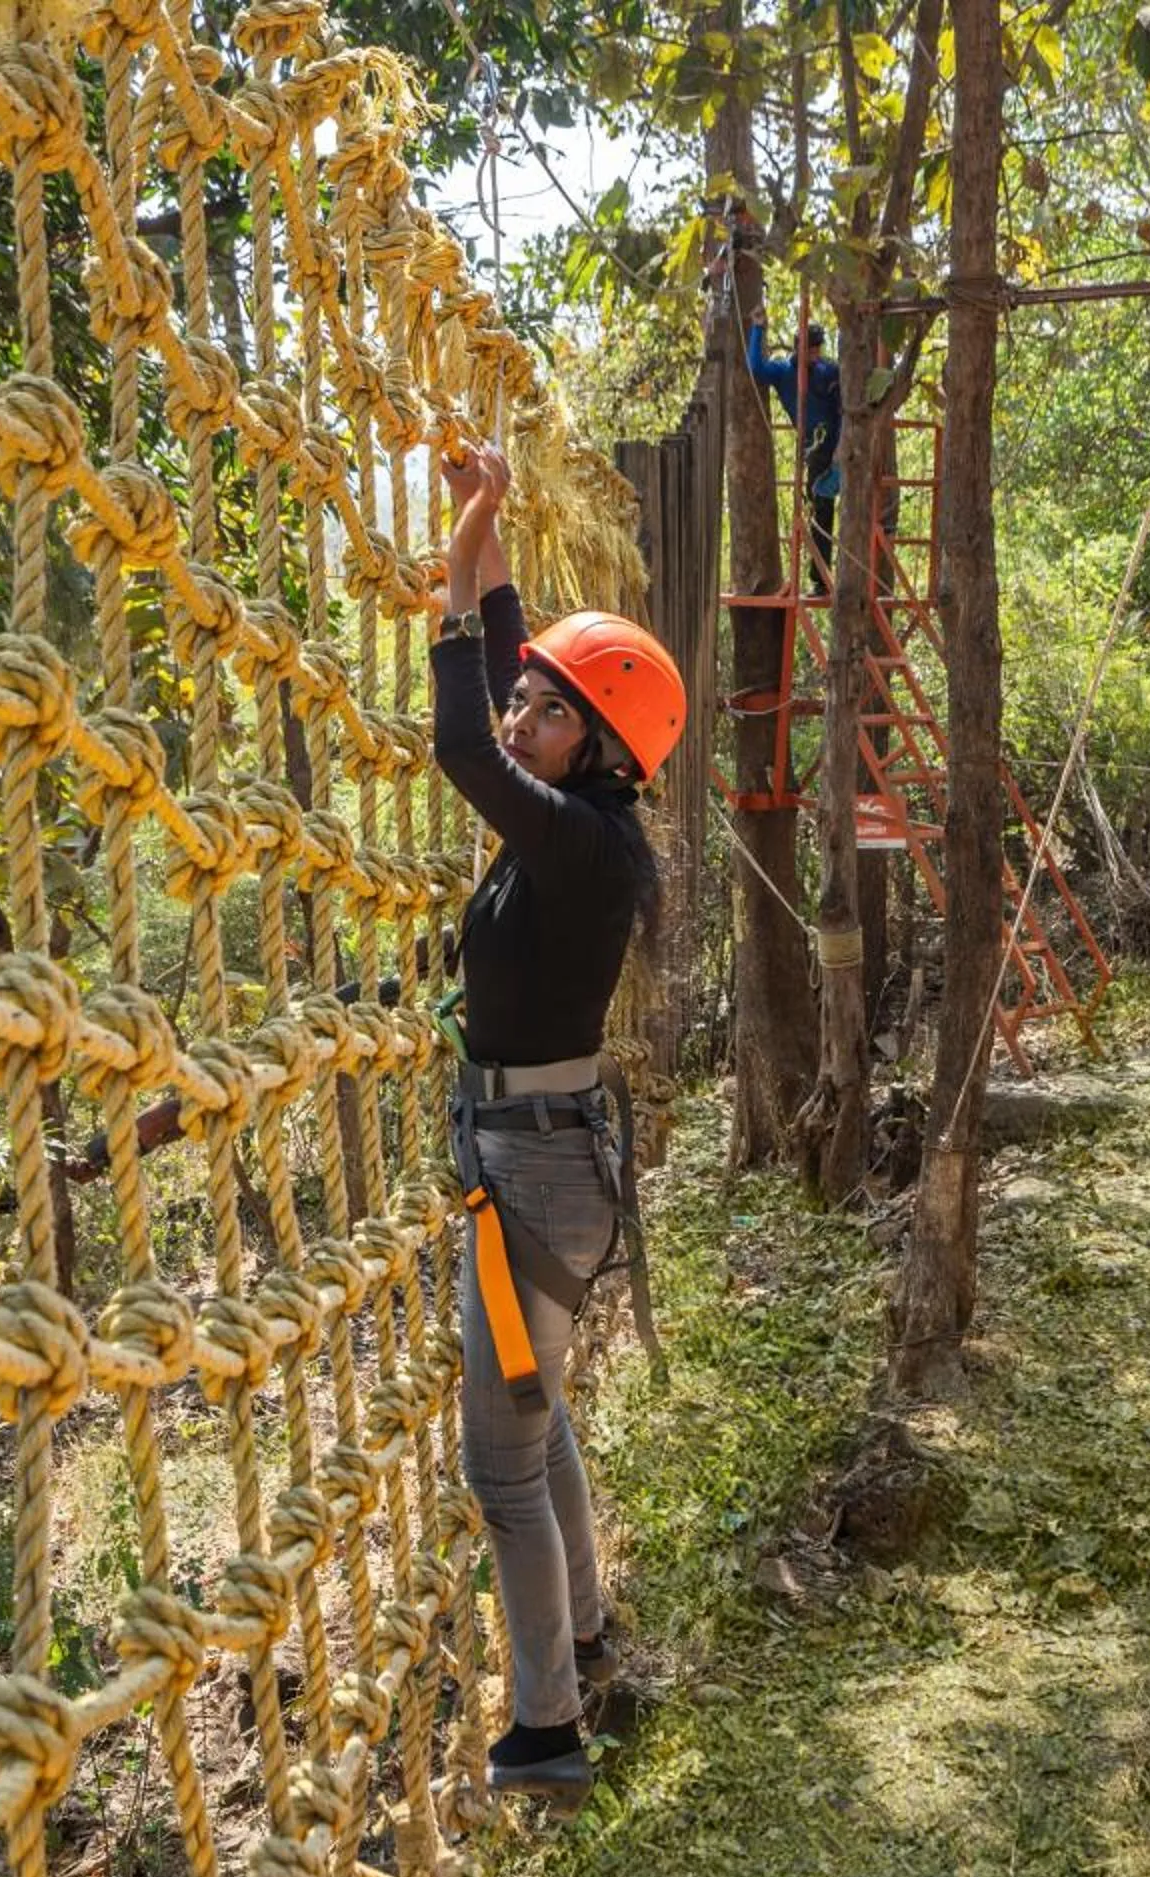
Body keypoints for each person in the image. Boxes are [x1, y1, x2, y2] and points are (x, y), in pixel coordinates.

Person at [428, 442, 685, 1803]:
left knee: (501, 1463)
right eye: (527, 702)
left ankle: (544, 1733)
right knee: (544, 1420)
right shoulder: (580, 822)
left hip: (535, 1171)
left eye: (544, 711)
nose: (521, 716)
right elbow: (512, 657)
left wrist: (458, 581)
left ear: (589, 744)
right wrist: (487, 530)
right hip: (536, 1159)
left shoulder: (581, 847)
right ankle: (584, 1632)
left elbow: (459, 735)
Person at [745, 314, 844, 586]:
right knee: (819, 509)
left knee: (825, 507)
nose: (815, 356)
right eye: (811, 351)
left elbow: (843, 410)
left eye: (818, 350)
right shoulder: (784, 372)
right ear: (798, 349)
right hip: (814, 447)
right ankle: (820, 578)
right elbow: (755, 367)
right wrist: (758, 329)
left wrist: (841, 446)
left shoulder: (829, 372)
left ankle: (822, 577)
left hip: (834, 445)